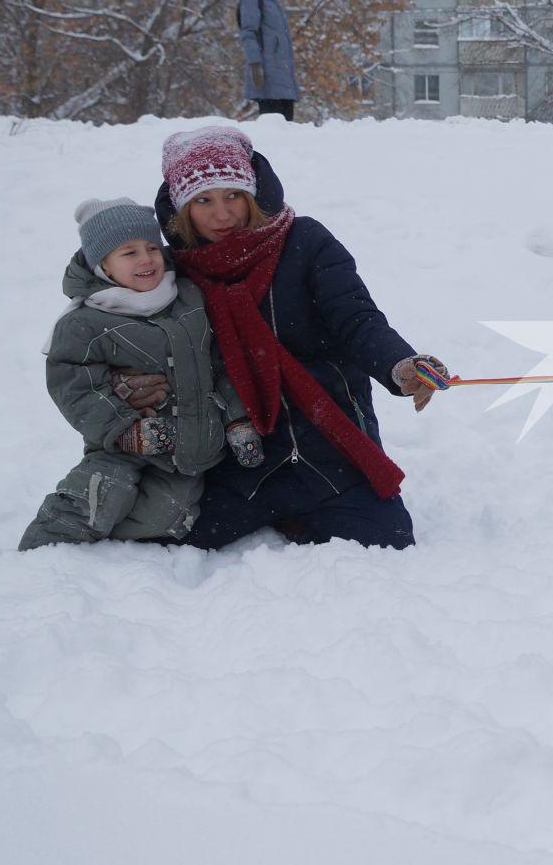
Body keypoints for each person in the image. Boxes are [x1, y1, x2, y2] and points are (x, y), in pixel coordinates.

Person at [117, 127, 444, 550]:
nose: (222, 215)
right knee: (162, 540)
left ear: (254, 193)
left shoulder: (306, 243)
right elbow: (123, 334)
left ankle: (308, 509)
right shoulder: (169, 272)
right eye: (203, 200)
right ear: (181, 209)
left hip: (328, 447)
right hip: (236, 461)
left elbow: (357, 319)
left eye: (233, 195)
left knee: (389, 540)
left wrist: (400, 364)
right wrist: (127, 380)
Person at [20, 198, 263, 551]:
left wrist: (236, 421)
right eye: (128, 253)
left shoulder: (189, 298)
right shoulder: (85, 322)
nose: (146, 259)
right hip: (121, 447)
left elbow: (222, 366)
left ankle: (107, 544)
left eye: (151, 247)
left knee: (165, 518)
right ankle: (43, 549)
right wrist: (125, 430)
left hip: (188, 454)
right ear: (102, 264)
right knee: (100, 496)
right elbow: (75, 386)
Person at [239, 0, 299, 121]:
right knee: (274, 128)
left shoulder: (274, 4)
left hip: (283, 79)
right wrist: (255, 64)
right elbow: (248, 33)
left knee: (287, 128)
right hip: (267, 78)